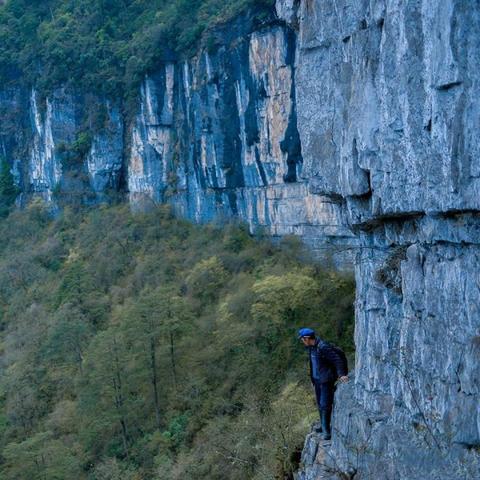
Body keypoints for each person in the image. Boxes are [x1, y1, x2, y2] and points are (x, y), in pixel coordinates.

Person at [298, 327, 348, 441]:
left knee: (325, 404)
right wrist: (312, 380)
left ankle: (326, 431)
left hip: (326, 380)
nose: (302, 341)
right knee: (320, 404)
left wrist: (341, 374)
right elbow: (313, 365)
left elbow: (337, 360)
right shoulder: (311, 348)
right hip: (317, 380)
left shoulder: (323, 347)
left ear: (306, 338)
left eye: (302, 339)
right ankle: (323, 425)